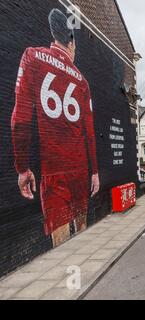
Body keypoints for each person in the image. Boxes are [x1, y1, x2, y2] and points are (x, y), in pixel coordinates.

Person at [11, 9, 99, 247]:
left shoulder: (32, 57)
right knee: (81, 226)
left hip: (54, 170)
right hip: (80, 168)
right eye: (76, 47)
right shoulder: (82, 80)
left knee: (61, 238)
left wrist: (22, 168)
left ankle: (70, 275)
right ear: (70, 42)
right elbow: (89, 132)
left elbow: (21, 118)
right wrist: (94, 172)